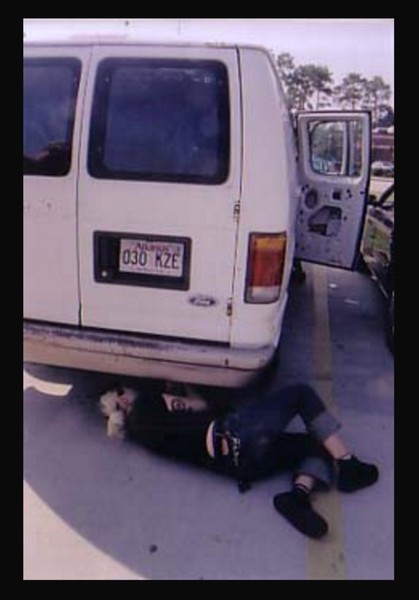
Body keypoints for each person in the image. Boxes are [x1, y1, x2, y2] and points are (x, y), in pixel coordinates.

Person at [103, 382, 379, 540]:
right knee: (300, 393)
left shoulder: (141, 436)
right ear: (121, 398)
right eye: (121, 391)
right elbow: (203, 407)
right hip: (237, 434)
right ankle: (348, 464)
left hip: (240, 468)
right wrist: (188, 389)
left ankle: (297, 498)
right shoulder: (146, 403)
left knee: (312, 442)